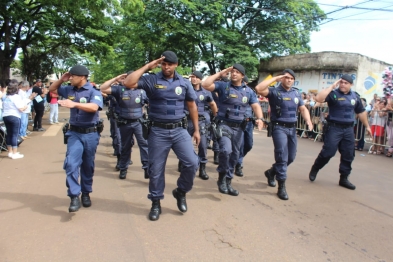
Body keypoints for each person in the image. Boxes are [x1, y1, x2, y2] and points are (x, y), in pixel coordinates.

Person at [123, 51, 199, 221]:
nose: (166, 67)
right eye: (163, 64)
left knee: (192, 162)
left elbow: (192, 106)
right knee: (156, 170)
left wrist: (196, 130)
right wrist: (148, 66)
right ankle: (156, 202)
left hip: (180, 130)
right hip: (158, 131)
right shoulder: (152, 80)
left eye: (170, 64)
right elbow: (128, 82)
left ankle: (181, 191)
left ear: (176, 64)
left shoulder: (184, 83)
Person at [202, 64, 264, 196]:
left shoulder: (248, 91)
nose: (234, 74)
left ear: (242, 75)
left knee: (235, 155)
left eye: (237, 72)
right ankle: (221, 177)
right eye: (232, 72)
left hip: (239, 128)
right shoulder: (223, 86)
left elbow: (256, 106)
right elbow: (206, 84)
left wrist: (260, 118)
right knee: (225, 150)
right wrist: (222, 73)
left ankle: (228, 182)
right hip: (224, 124)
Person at [49, 65, 103, 212]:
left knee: (87, 165)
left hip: (91, 133)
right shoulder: (68, 89)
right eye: (70, 75)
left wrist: (74, 104)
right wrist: (62, 79)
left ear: (83, 77)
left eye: (73, 76)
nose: (71, 78)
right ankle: (74, 195)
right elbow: (52, 90)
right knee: (71, 163)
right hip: (74, 133)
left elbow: (94, 107)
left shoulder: (93, 91)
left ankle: (86, 193)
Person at [255, 69, 313, 200]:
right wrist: (276, 78)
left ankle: (271, 172)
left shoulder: (296, 93)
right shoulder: (275, 91)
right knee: (282, 156)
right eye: (286, 78)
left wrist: (308, 121)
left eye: (292, 78)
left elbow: (303, 109)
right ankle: (281, 186)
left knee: (290, 157)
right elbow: (259, 88)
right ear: (282, 79)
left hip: (292, 129)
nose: (289, 80)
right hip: (278, 127)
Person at [308, 74, 371, 190]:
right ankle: (316, 167)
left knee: (348, 154)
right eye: (341, 82)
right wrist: (332, 86)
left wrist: (367, 126)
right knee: (328, 152)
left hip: (348, 129)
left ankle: (344, 178)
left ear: (350, 85)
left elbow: (361, 112)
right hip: (334, 128)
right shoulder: (333, 94)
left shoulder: (355, 97)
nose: (342, 84)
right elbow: (319, 99)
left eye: (345, 83)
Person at [100, 72, 149, 180]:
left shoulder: (142, 91)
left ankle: (147, 168)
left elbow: (151, 103)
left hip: (139, 122)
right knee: (125, 146)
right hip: (125, 123)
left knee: (144, 145)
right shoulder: (119, 90)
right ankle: (123, 168)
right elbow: (102, 88)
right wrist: (116, 78)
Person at [180, 70, 217, 180]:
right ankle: (182, 163)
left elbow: (212, 104)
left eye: (196, 77)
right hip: (187, 120)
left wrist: (216, 116)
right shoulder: (185, 89)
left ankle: (202, 169)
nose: (194, 78)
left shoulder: (206, 92)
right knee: (184, 145)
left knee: (203, 145)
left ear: (200, 79)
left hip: (201, 121)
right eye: (192, 77)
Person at [3, 81, 35, 159]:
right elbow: (21, 108)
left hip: (6, 116)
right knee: (14, 135)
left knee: (9, 134)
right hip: (14, 116)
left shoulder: (6, 97)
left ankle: (10, 152)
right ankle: (15, 153)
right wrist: (25, 107)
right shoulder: (16, 97)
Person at [234, 75, 254, 177]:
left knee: (249, 145)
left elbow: (256, 105)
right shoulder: (235, 92)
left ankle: (237, 158)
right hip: (239, 122)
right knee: (240, 145)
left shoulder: (250, 93)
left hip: (249, 122)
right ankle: (238, 164)